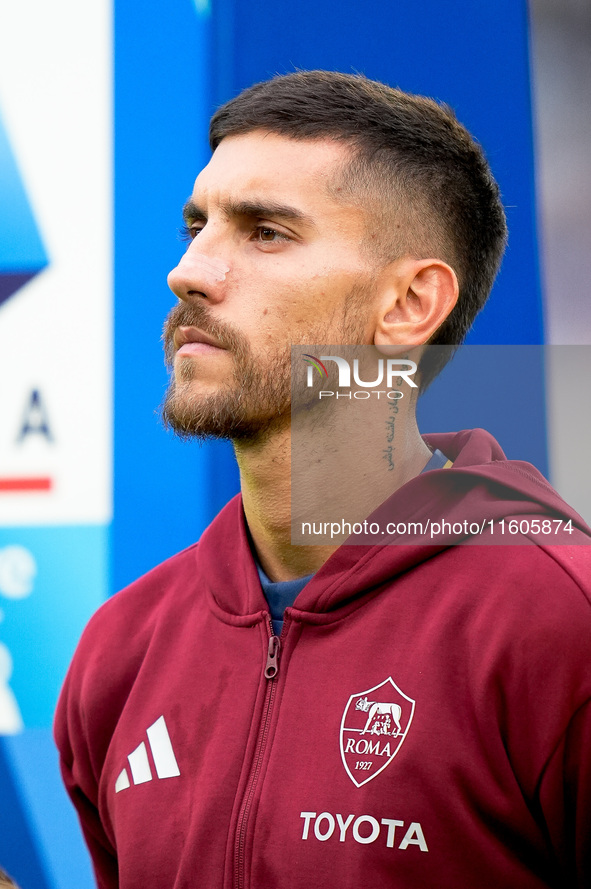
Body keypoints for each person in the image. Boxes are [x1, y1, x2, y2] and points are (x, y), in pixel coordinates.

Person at [55, 71, 591, 889]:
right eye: (195, 225)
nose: (189, 271)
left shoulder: (555, 622)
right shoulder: (121, 649)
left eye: (265, 232)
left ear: (410, 303)